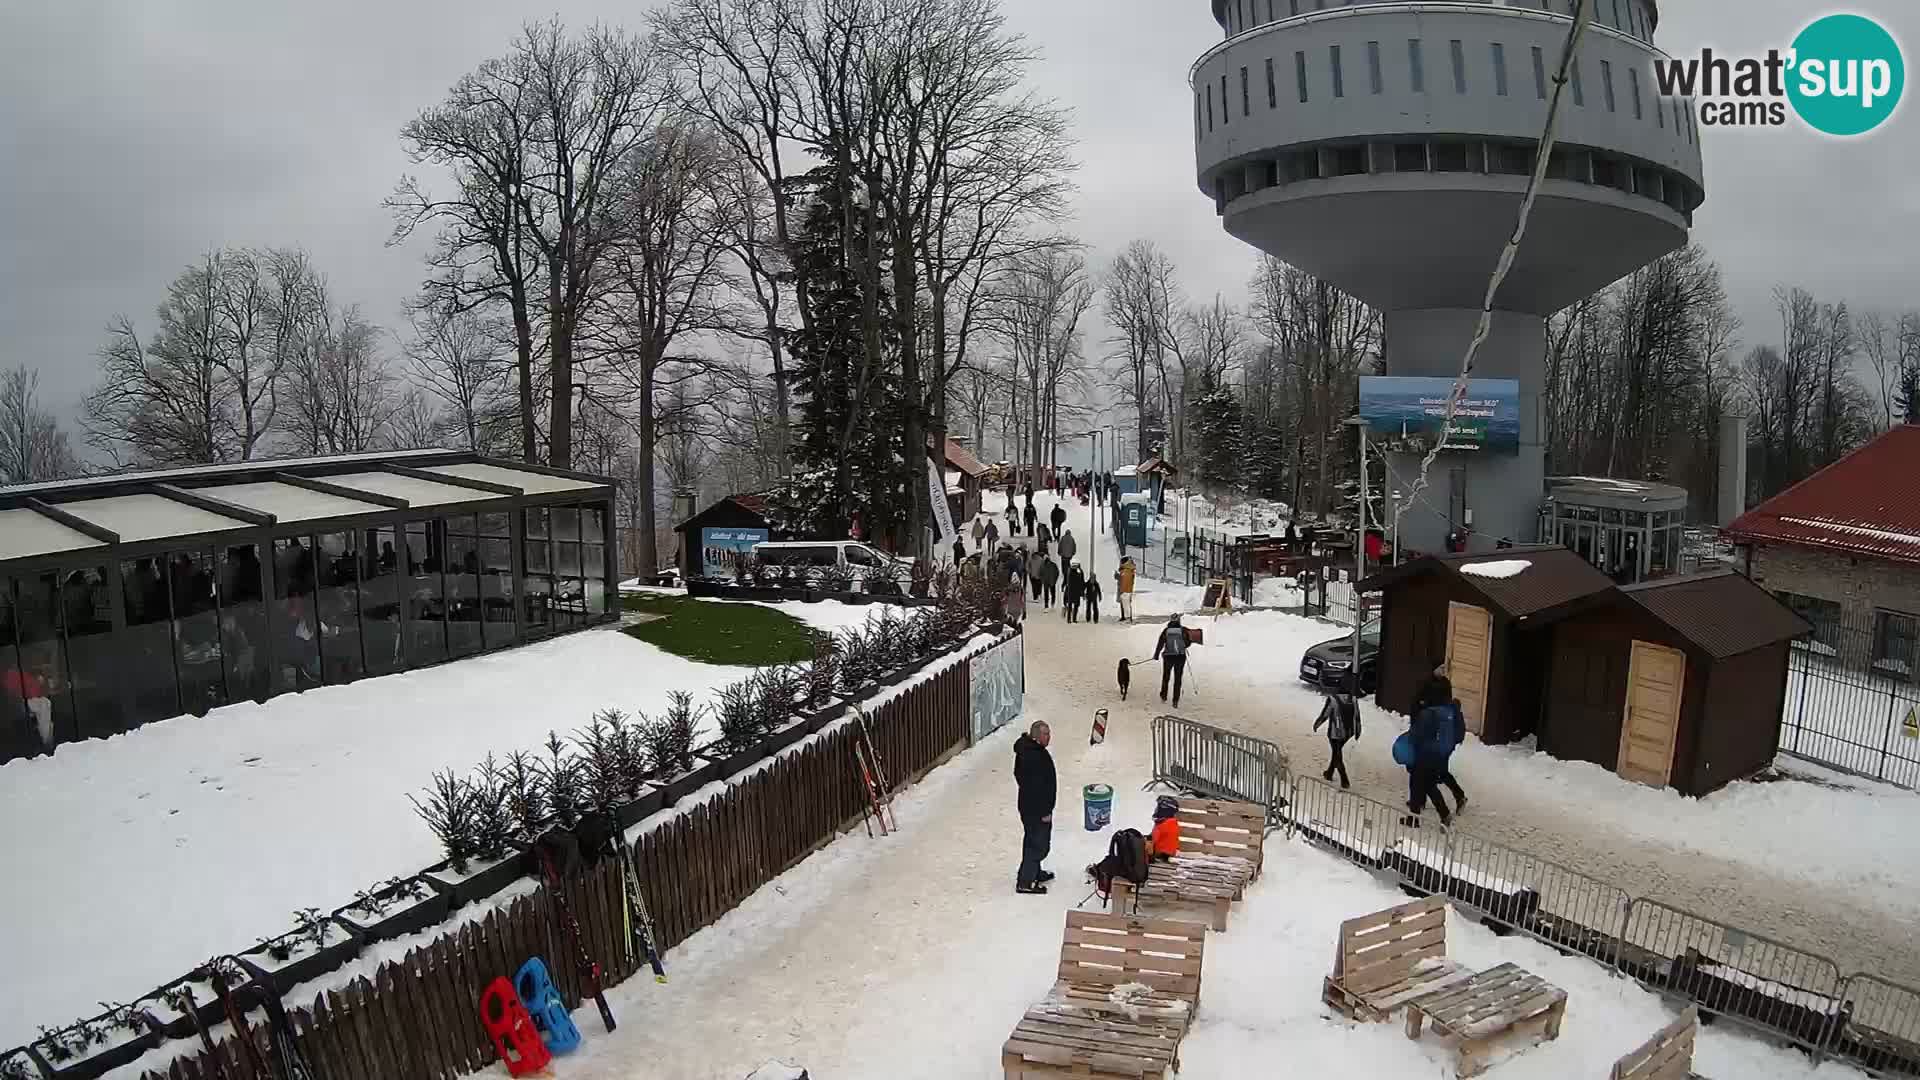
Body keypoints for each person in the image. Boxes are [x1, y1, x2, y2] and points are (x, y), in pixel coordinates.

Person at [1403, 677, 1458, 827]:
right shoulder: (1447, 711)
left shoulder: (1428, 713)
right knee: (1426, 784)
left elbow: (1417, 735)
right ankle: (1417, 817)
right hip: (1438, 755)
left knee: (1420, 784)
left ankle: (1438, 815)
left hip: (1424, 755)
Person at [1013, 720, 1057, 894]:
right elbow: (1036, 787)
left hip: (1029, 807)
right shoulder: (1033, 756)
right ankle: (1026, 881)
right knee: (1037, 844)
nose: (1049, 737)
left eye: (1049, 733)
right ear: (1036, 736)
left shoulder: (1030, 751)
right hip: (1036, 810)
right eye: (1046, 734)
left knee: (1034, 839)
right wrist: (1044, 811)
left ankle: (1034, 872)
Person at [1312, 674, 1361, 789]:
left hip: (1335, 732)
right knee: (1336, 752)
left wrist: (1317, 724)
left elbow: (1325, 714)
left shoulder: (1333, 699)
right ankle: (1329, 773)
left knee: (1337, 753)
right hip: (1348, 732)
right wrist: (1357, 731)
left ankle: (1344, 779)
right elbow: (1357, 716)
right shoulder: (1353, 700)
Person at [1152, 614, 1190, 707]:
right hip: (1180, 657)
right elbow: (1188, 642)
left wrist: (1156, 654)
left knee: (1166, 677)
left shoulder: (1166, 631)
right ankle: (1175, 700)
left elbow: (1160, 643)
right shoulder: (1183, 630)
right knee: (1178, 679)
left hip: (1168, 657)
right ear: (1178, 621)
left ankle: (1163, 695)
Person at [1149, 795, 1180, 861]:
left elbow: (1154, 840)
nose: (1156, 810)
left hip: (1160, 855)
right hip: (1164, 855)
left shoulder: (1165, 824)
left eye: (1158, 808)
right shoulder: (1169, 822)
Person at [1114, 556, 1136, 622]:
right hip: (1126, 589)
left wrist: (1118, 577)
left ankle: (1127, 618)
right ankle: (1125, 617)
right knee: (1125, 604)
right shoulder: (1127, 569)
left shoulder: (1126, 570)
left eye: (1121, 562)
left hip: (1125, 589)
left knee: (1126, 604)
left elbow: (1124, 580)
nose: (1120, 563)